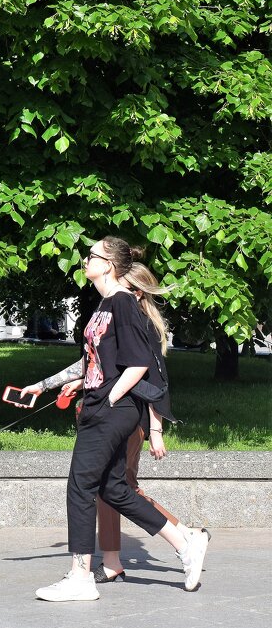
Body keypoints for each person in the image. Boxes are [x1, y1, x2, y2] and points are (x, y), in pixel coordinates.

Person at [22, 236, 208, 601]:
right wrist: (45, 386)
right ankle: (185, 540)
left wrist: (109, 397)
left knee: (80, 486)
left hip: (111, 410)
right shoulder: (105, 305)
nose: (85, 260)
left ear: (109, 264)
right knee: (113, 488)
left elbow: (139, 363)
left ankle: (80, 577)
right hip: (103, 406)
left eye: (92, 256)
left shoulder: (122, 302)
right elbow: (98, 362)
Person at [91, 263, 210, 582]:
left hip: (129, 417)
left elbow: (155, 380)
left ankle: (183, 537)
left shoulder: (139, 323)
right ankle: (178, 537)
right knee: (114, 487)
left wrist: (156, 430)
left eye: (122, 285)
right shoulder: (124, 317)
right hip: (119, 415)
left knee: (115, 487)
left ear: (136, 292)